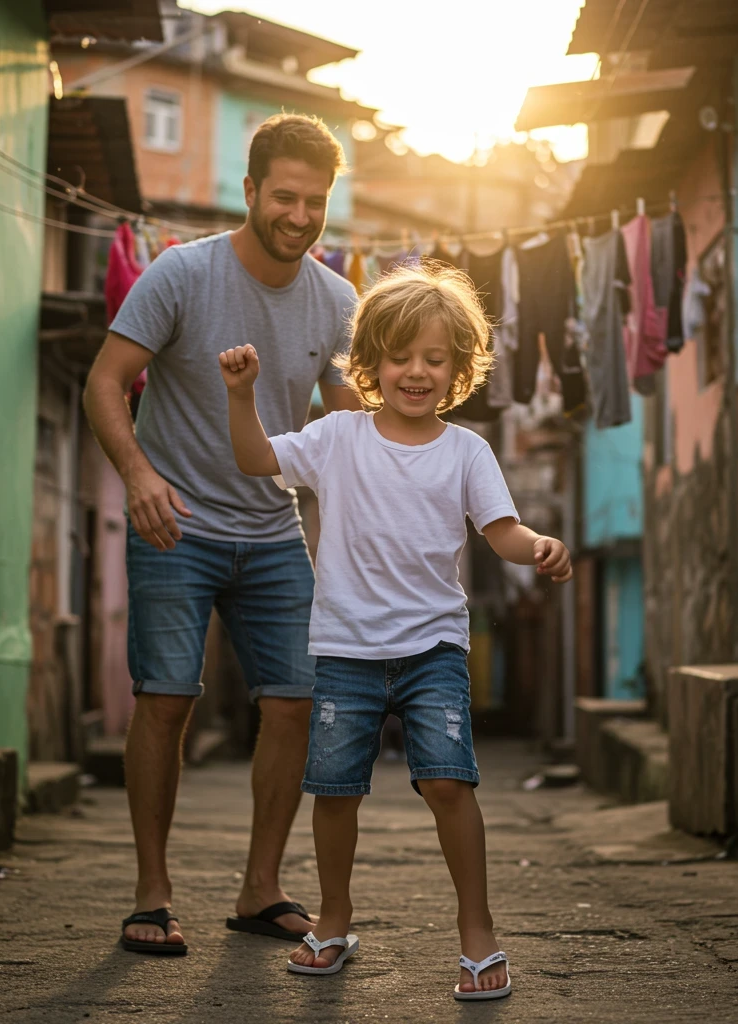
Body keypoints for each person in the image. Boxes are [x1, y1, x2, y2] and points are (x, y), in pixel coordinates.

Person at [217, 263, 573, 999]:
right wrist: (241, 395)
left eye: (436, 359)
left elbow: (500, 531)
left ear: (460, 367)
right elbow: (256, 458)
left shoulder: (467, 451)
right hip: (345, 651)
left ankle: (477, 932)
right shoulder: (337, 436)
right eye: (402, 356)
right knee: (335, 791)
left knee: (449, 783)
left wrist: (538, 544)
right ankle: (336, 918)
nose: (417, 372)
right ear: (373, 360)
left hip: (433, 649)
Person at [83, 114, 362, 955]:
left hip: (275, 531)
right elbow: (105, 383)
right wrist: (139, 475)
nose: (299, 215)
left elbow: (349, 415)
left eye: (315, 202)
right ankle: (152, 894)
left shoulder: (339, 300)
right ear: (250, 191)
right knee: (166, 698)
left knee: (298, 700)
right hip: (178, 524)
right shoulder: (180, 273)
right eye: (284, 196)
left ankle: (259, 888)